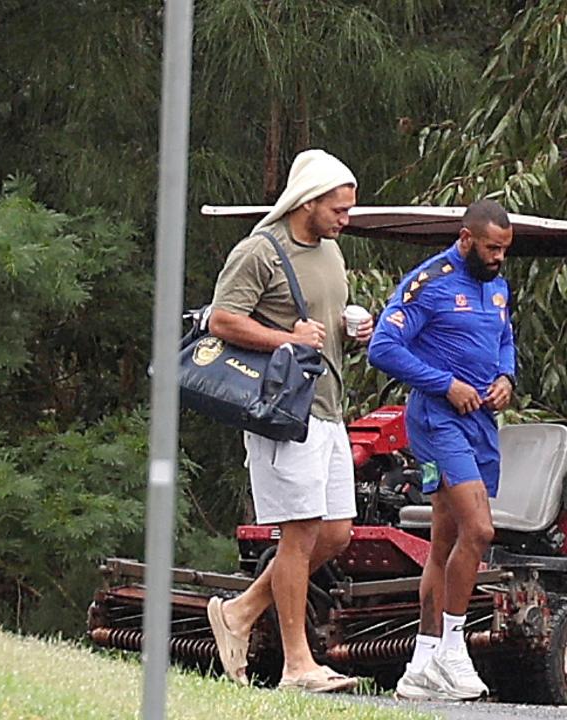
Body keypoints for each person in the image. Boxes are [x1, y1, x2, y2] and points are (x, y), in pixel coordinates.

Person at [204, 149, 369, 693]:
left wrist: (353, 331)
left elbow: (322, 329)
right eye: (339, 210)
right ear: (309, 201)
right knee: (297, 535)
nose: (347, 219)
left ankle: (241, 610)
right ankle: (298, 666)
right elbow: (222, 319)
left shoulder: (331, 255)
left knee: (336, 533)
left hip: (329, 411)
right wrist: (287, 339)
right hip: (282, 414)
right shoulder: (261, 250)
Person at [369, 200, 515, 701]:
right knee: (479, 529)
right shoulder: (429, 282)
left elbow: (505, 339)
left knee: (445, 540)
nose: (499, 258)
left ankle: (422, 661)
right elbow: (383, 348)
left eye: (505, 249)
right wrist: (444, 384)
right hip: (437, 418)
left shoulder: (497, 285)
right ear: (467, 238)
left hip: (481, 419)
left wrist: (505, 377)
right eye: (492, 248)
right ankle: (455, 648)